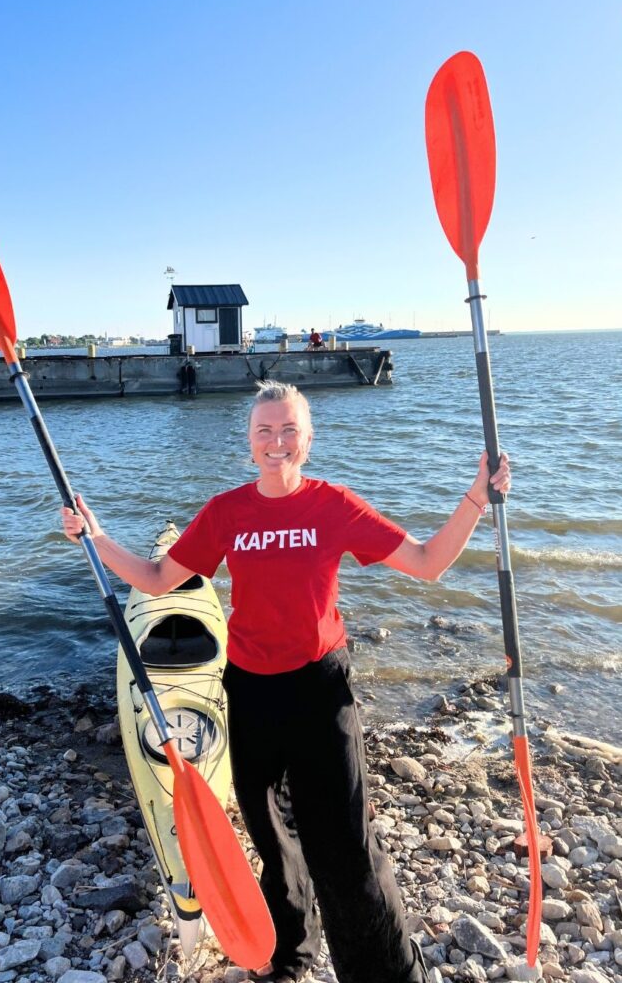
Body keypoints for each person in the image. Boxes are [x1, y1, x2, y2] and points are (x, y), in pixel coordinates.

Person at [61, 381, 511, 983]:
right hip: (249, 690)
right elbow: (157, 576)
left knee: (346, 844)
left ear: (308, 439)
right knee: (269, 835)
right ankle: (289, 957)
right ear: (250, 443)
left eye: (289, 430)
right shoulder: (227, 512)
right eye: (264, 431)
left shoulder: (334, 505)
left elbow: (429, 564)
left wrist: (476, 499)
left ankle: (386, 971)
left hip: (320, 691)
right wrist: (94, 534)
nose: (277, 442)